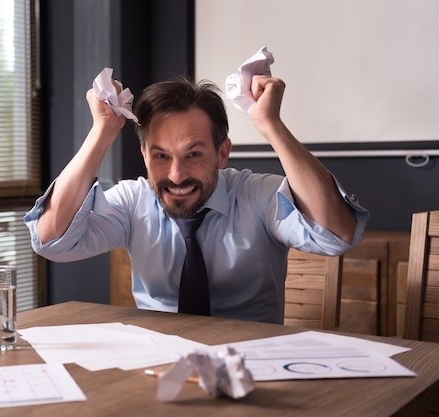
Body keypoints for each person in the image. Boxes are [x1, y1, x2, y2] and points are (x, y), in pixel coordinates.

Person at [24, 74, 369, 324]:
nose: (175, 176)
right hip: (158, 370)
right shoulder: (133, 201)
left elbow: (337, 234)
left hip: (256, 371)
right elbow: (51, 239)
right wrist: (102, 132)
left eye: (193, 155)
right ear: (144, 155)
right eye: (160, 156)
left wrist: (270, 124)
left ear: (222, 154)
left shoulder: (258, 196)